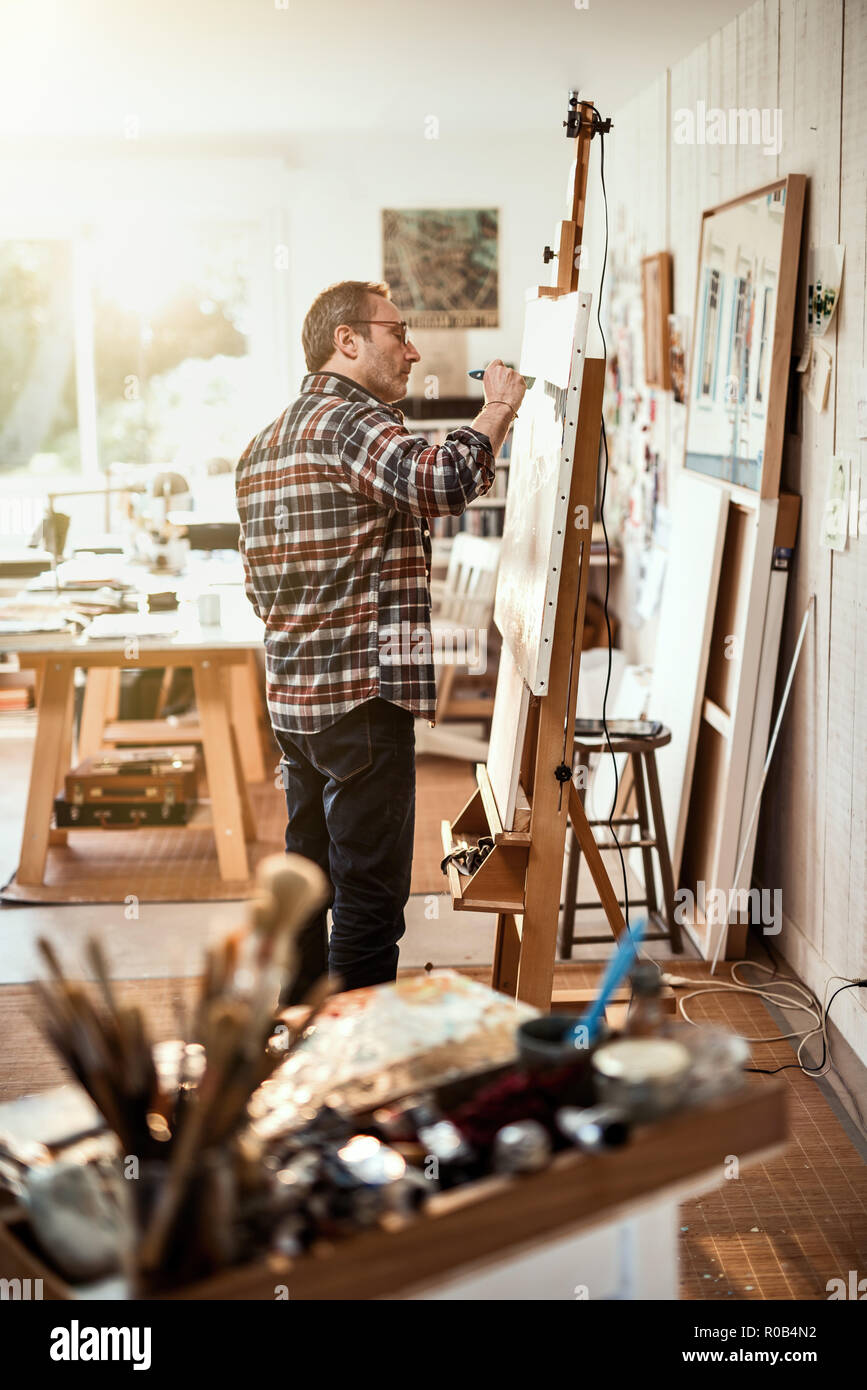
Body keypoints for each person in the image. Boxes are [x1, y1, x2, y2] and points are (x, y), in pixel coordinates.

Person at [236, 279, 524, 999]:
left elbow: (255, 589)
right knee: (369, 895)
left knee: (306, 883)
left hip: (295, 705)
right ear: (348, 340)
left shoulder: (263, 443)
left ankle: (297, 1036)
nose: (413, 350)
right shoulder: (348, 422)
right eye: (398, 333)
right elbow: (445, 481)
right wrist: (496, 409)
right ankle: (354, 1050)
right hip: (361, 699)